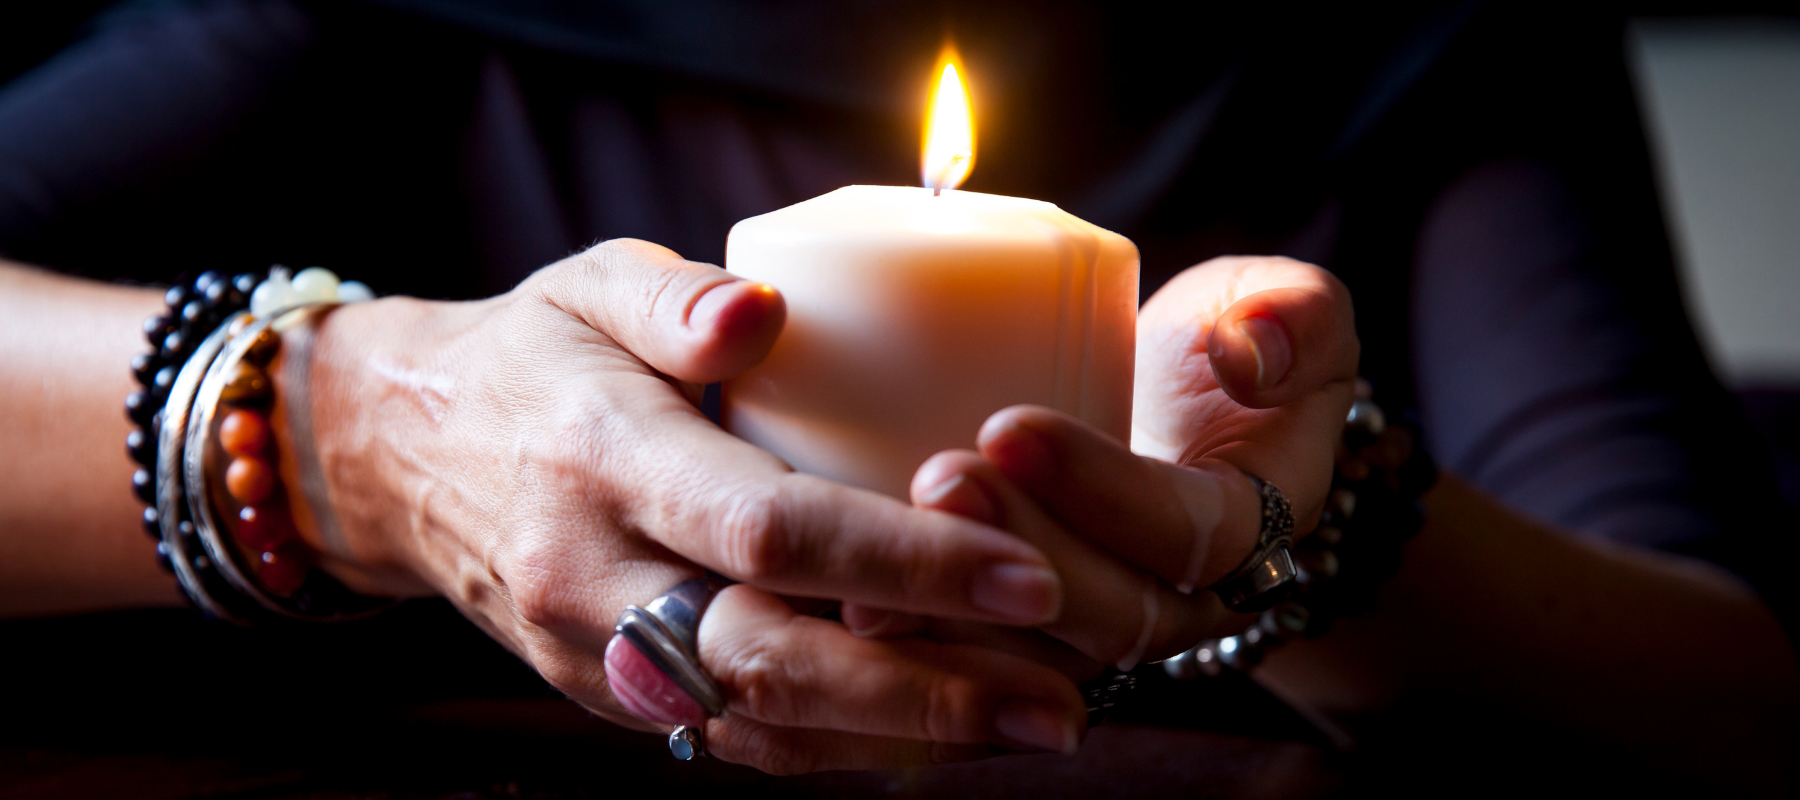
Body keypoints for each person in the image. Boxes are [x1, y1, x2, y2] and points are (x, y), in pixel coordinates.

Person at [0, 0, 1794, 795]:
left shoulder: (1403, 51)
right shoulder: (374, 28)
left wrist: (1295, 532)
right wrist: (346, 432)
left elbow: (1732, 705)